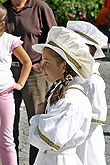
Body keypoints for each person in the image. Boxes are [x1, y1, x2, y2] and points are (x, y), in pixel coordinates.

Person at [28, 26, 95, 165]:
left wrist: (38, 117)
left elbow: (50, 139)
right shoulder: (61, 90)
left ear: (63, 66)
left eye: (46, 62)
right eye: (42, 61)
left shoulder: (71, 100)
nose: (42, 67)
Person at [3, 0, 57, 164]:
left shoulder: (40, 7)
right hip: (7, 74)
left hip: (34, 73)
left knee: (37, 120)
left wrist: (43, 62)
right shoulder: (3, 9)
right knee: (8, 125)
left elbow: (54, 38)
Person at [66, 20, 108, 165]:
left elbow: (97, 117)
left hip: (85, 141)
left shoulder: (93, 81)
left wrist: (74, 136)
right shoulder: (74, 76)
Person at [0, 4, 32, 165]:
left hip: (4, 95)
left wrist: (20, 83)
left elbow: (27, 62)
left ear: (2, 24)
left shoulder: (9, 41)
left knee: (6, 140)